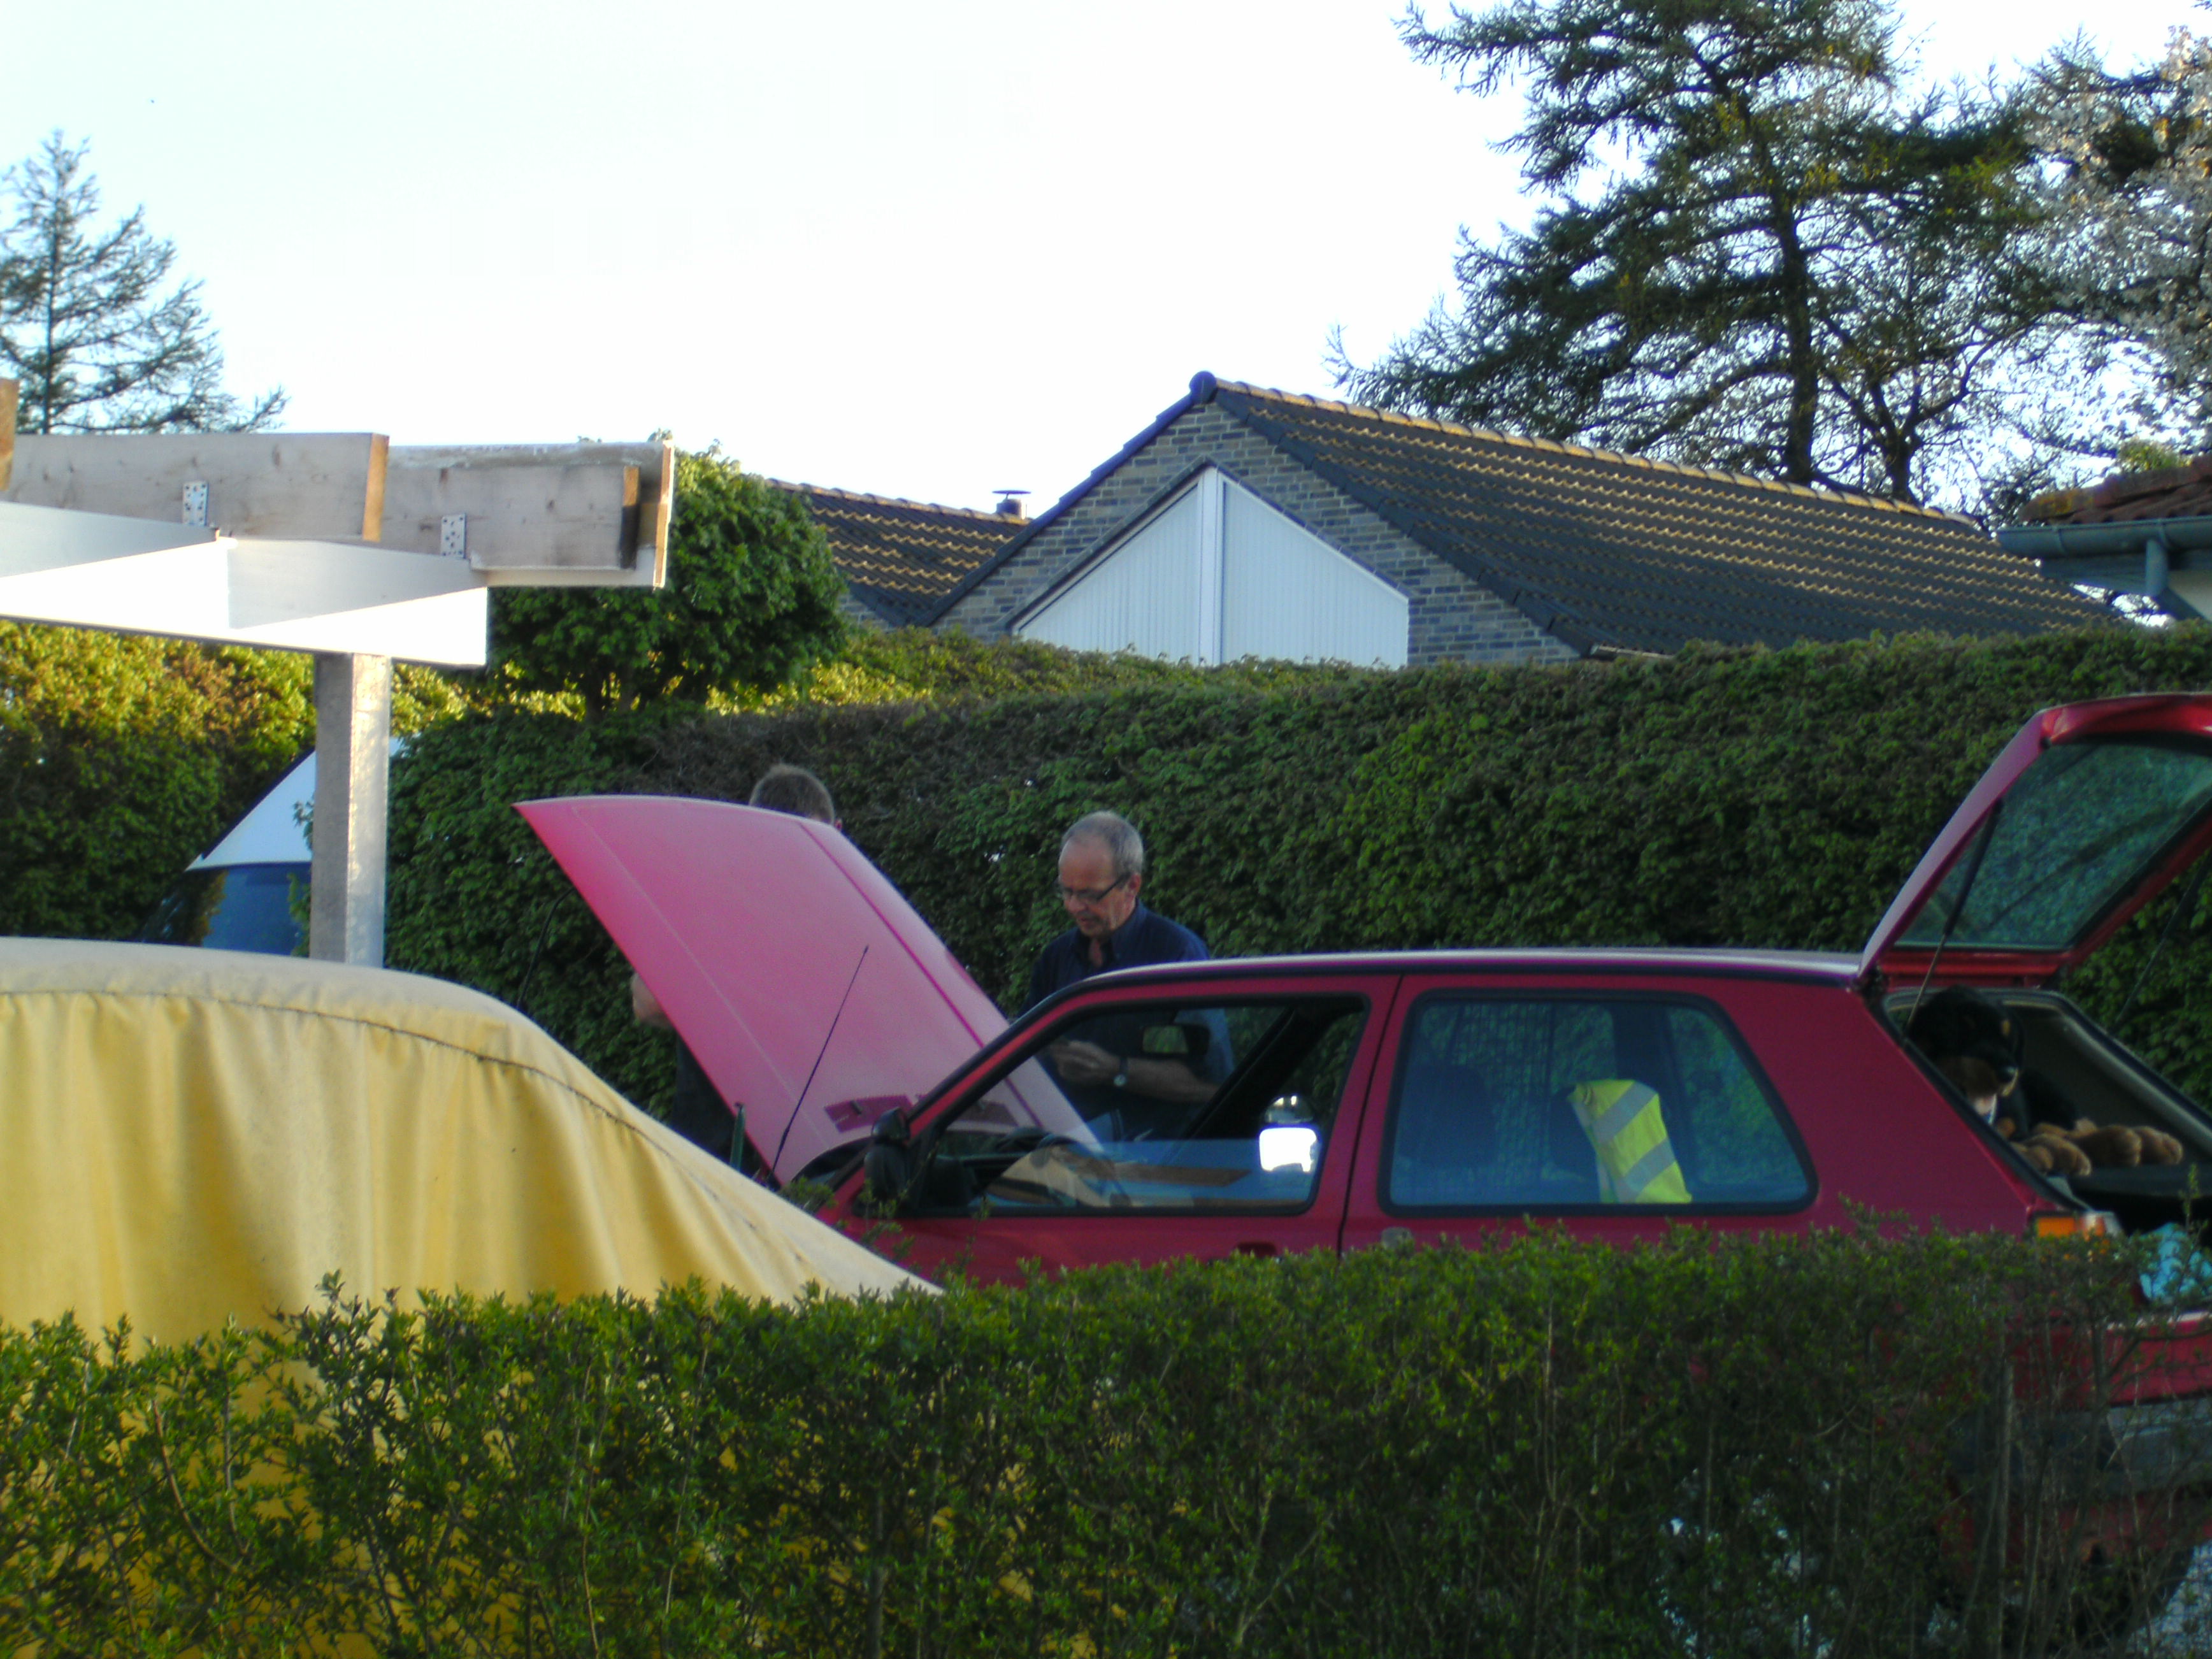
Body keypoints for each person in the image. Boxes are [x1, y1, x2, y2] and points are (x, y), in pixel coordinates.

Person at [631, 764, 839, 1169]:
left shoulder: (715, 902)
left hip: (711, 1159)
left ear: (751, 832)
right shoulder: (853, 919)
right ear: (836, 833)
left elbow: (648, 1001)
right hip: (815, 1165)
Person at [1027, 811, 1223, 1137]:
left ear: (1132, 885)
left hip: (1151, 1157)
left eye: (1090, 895)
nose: (1073, 906)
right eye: (1066, 891)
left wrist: (1115, 1070)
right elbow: (1026, 1052)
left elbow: (1211, 1086)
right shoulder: (1056, 957)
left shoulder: (1178, 956)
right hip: (1061, 1151)